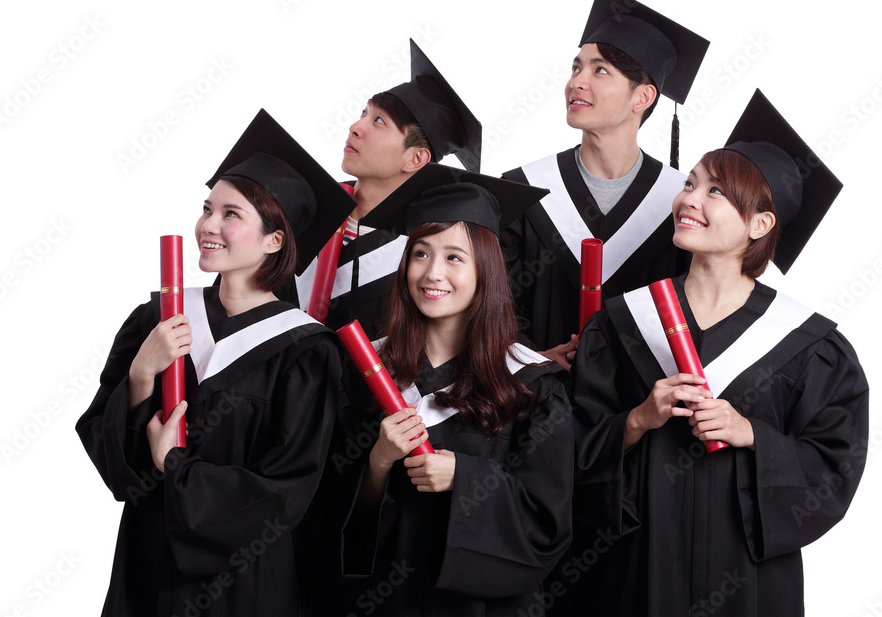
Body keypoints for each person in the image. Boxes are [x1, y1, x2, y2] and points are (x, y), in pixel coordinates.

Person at [569, 90, 869, 616]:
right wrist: (638, 420)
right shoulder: (622, 322)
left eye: (717, 193)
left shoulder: (809, 344)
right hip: (634, 566)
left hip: (744, 580)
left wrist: (751, 433)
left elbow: (833, 469)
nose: (690, 200)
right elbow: (566, 448)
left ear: (760, 225)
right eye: (691, 184)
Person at [75, 109, 356, 616]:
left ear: (275, 240)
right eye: (208, 209)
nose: (208, 225)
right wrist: (142, 372)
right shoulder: (158, 318)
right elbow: (113, 462)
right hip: (148, 566)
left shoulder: (306, 351)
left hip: (247, 582)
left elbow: (287, 492)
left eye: (232, 214)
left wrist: (175, 464)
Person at [331, 169, 573, 616]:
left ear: (486, 269)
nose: (432, 273)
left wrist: (466, 479)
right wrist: (379, 460)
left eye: (455, 258)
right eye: (420, 253)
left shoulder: (531, 385)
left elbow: (548, 525)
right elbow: (334, 519)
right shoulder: (367, 370)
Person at [500, 0, 710, 368]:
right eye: (577, 67)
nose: (577, 81)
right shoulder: (523, 189)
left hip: (640, 410)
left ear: (643, 98)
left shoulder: (679, 204)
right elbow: (489, 306)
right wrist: (532, 361)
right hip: (534, 403)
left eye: (600, 70)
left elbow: (695, 312)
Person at [293, 38, 482, 340]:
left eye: (378, 120)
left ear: (415, 158)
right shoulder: (306, 210)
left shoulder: (422, 253)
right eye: (364, 112)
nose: (356, 126)